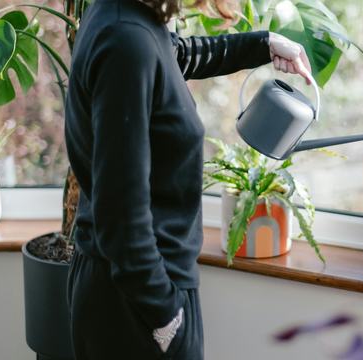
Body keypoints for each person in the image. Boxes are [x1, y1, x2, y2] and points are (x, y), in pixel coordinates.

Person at [63, 0, 312, 358]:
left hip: (131, 294)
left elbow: (174, 55)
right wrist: (166, 319)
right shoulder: (126, 40)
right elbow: (121, 220)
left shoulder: (126, 16)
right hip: (134, 311)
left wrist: (265, 44)